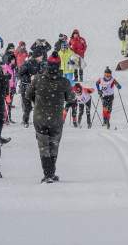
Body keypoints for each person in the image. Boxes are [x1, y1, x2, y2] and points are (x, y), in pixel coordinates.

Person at [26, 51, 75, 183]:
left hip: (40, 117)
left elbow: (28, 95)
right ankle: (51, 173)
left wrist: (36, 100)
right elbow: (71, 98)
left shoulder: (37, 79)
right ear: (59, 65)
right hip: (56, 119)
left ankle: (48, 174)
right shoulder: (64, 82)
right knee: (54, 145)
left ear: (47, 65)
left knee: (43, 145)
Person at [19, 49, 44, 128]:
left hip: (35, 87)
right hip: (26, 87)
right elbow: (19, 74)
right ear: (37, 56)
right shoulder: (28, 63)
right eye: (41, 56)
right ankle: (25, 121)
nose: (42, 57)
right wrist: (29, 77)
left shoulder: (39, 63)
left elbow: (41, 73)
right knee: (28, 106)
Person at [2, 55, 17, 124]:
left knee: (10, 104)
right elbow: (4, 77)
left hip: (12, 87)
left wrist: (14, 86)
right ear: (9, 60)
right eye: (12, 59)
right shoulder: (6, 67)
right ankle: (5, 118)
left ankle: (9, 118)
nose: (14, 61)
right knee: (7, 103)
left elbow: (14, 78)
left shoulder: (13, 67)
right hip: (7, 87)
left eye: (14, 59)